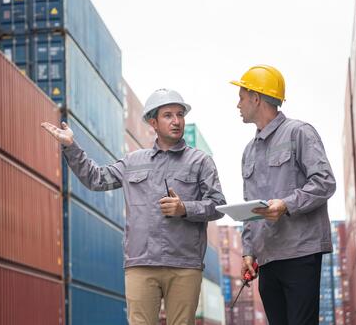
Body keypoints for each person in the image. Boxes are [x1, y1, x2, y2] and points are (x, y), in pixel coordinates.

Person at [41, 88, 225, 325]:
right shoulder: (133, 162)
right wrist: (71, 146)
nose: (177, 121)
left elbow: (218, 205)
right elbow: (96, 179)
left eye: (180, 114)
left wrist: (185, 208)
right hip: (141, 264)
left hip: (184, 264)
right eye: (168, 115)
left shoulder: (200, 161)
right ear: (153, 122)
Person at [230, 65, 336, 325]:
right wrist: (248, 252)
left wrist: (286, 205)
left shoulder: (299, 132)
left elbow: (325, 182)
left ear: (256, 98)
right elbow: (250, 209)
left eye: (241, 97)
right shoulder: (248, 152)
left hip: (299, 251)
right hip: (267, 257)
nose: (238, 104)